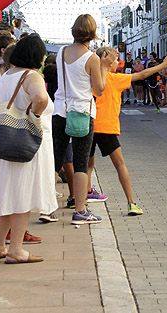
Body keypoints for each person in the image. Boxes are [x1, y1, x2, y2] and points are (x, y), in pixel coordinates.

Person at [0, 34, 57, 262]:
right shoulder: (32, 76)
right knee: (22, 195)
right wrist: (33, 117)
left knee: (6, 195)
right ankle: (16, 250)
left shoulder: (7, 76)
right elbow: (40, 98)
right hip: (27, 145)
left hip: (6, 143)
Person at [86, 47, 167, 215]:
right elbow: (143, 74)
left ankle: (82, 198)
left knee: (87, 165)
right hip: (106, 127)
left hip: (88, 125)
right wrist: (164, 65)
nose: (117, 65)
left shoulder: (89, 78)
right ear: (107, 62)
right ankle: (131, 203)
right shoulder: (114, 79)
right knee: (120, 165)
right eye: (115, 61)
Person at [52, 14, 118, 225]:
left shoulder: (61, 51)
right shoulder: (92, 58)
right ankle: (80, 210)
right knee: (81, 163)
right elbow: (99, 89)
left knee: (56, 160)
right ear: (92, 33)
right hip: (81, 111)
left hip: (60, 110)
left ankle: (47, 208)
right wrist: (104, 67)